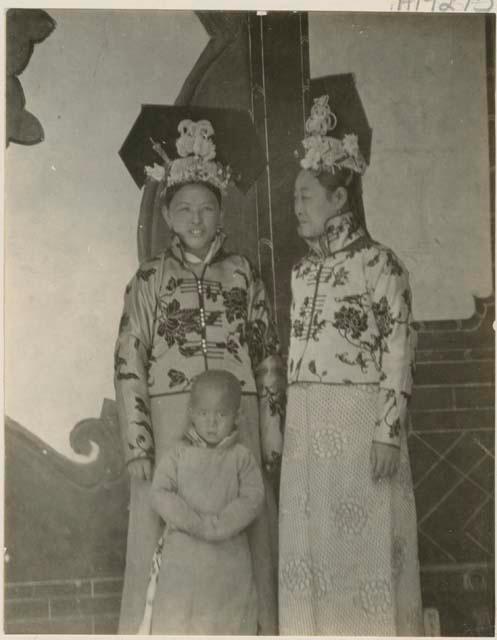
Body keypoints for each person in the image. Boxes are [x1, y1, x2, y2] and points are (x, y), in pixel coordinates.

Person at [114, 114, 284, 634]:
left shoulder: (242, 272)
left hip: (241, 418)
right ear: (166, 213)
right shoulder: (148, 279)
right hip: (170, 422)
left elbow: (268, 355)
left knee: (250, 532)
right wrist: (139, 443)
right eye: (184, 208)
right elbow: (127, 362)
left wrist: (271, 440)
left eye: (206, 208)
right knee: (161, 535)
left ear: (221, 211)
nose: (195, 219)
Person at [278, 95, 424, 636]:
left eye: (307, 196)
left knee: (364, 556)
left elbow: (398, 348)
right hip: (305, 427)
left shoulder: (380, 263)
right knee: (311, 556)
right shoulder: (299, 272)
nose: (297, 206)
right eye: (295, 196)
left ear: (340, 198)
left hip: (361, 423)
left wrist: (388, 432)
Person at [138, 369, 264, 635]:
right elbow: (160, 492)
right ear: (192, 413)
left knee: (228, 619)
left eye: (221, 414)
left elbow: (253, 498)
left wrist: (218, 526)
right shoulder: (178, 455)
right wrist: (194, 523)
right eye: (204, 413)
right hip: (184, 559)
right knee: (179, 619)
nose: (211, 423)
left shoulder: (241, 457)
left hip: (228, 560)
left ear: (236, 416)